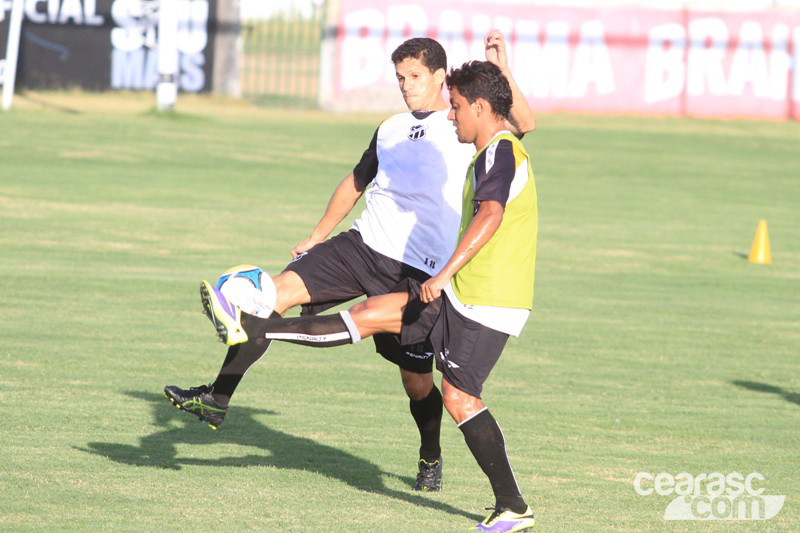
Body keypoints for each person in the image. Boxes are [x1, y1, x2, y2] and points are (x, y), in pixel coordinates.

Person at [164, 32, 534, 493]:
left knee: (417, 382)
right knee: (272, 295)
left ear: (441, 78)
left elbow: (523, 122)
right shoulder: (390, 128)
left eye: (415, 76)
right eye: (400, 77)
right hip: (359, 247)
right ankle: (218, 399)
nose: (406, 85)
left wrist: (502, 67)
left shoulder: (466, 126)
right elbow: (357, 181)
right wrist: (316, 236)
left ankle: (430, 454)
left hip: (417, 271)